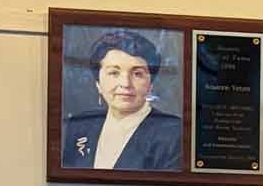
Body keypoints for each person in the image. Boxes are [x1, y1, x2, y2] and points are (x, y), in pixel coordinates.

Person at [59, 29, 182, 173]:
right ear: (98, 83)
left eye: (137, 74)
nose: (125, 83)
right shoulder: (80, 125)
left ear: (150, 85)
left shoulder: (174, 132)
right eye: (114, 73)